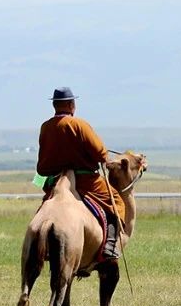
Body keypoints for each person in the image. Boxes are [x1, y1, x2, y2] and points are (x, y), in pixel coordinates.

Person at [36, 87, 125, 260]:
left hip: (56, 181)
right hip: (85, 181)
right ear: (71, 105)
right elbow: (100, 153)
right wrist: (104, 156)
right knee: (116, 202)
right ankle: (110, 245)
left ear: (54, 105)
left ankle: (38, 244)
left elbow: (41, 165)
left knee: (45, 208)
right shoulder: (80, 125)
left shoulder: (45, 127)